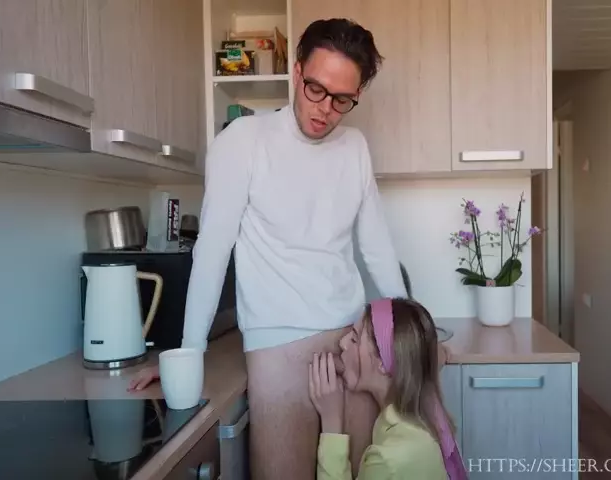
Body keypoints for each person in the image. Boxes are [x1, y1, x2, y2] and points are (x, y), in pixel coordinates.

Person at [128, 18, 408, 479]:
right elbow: (212, 253)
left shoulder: (354, 147)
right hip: (278, 349)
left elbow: (376, 246)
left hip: (352, 342)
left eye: (343, 100)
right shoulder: (243, 141)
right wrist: (187, 353)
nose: (325, 109)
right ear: (296, 73)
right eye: (316, 89)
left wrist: (411, 333)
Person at [309, 297, 467, 479]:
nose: (342, 343)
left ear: (383, 364)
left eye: (354, 339)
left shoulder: (390, 458)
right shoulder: (422, 414)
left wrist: (332, 422)